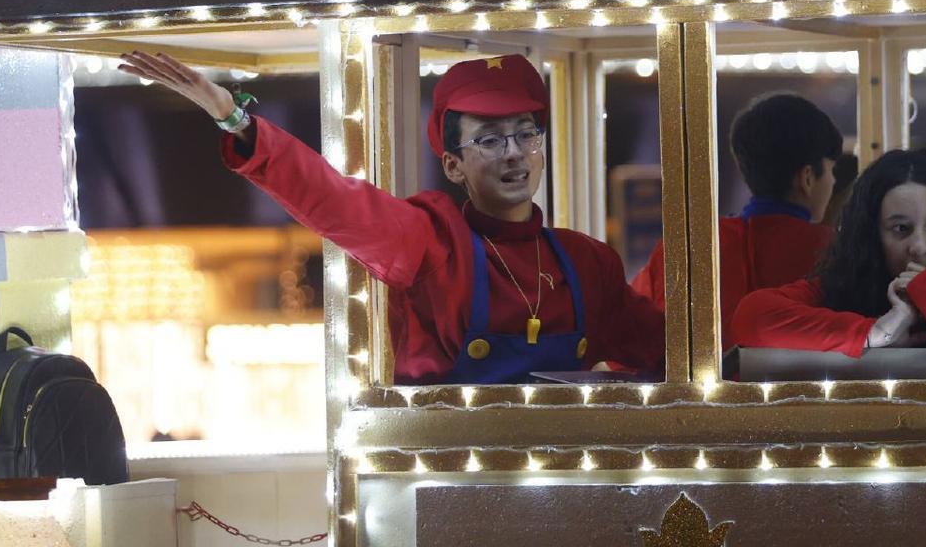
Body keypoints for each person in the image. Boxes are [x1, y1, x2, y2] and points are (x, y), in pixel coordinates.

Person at [119, 51, 664, 384]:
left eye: (526, 133)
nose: (515, 153)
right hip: (448, 496)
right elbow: (334, 199)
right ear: (452, 164)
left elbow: (668, 353)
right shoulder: (433, 241)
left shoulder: (588, 262)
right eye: (490, 139)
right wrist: (234, 118)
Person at [728, 148, 926, 378]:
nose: (919, 247)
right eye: (901, 229)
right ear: (873, 237)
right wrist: (876, 332)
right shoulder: (849, 283)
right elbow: (752, 318)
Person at [630, 93, 843, 348]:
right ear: (807, 177)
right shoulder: (836, 250)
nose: (833, 181)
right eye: (831, 170)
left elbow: (635, 338)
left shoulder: (688, 247)